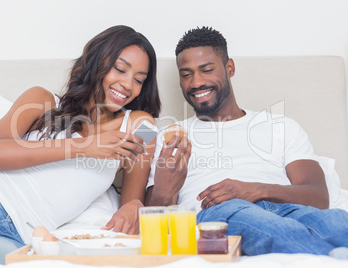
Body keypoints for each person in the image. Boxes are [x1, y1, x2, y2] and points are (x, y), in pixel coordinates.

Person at [0, 25, 161, 263]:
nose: (128, 85)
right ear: (97, 61)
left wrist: (135, 205)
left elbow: (132, 200)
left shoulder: (140, 124)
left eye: (139, 80)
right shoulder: (42, 100)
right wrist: (82, 147)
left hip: (19, 236)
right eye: (120, 69)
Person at [145, 26, 348, 258]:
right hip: (220, 212)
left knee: (337, 222)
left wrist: (253, 190)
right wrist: (164, 187)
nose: (196, 82)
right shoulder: (171, 137)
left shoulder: (282, 127)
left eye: (206, 69)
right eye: (186, 74)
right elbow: (154, 213)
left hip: (287, 208)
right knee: (279, 230)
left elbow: (318, 196)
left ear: (229, 68)